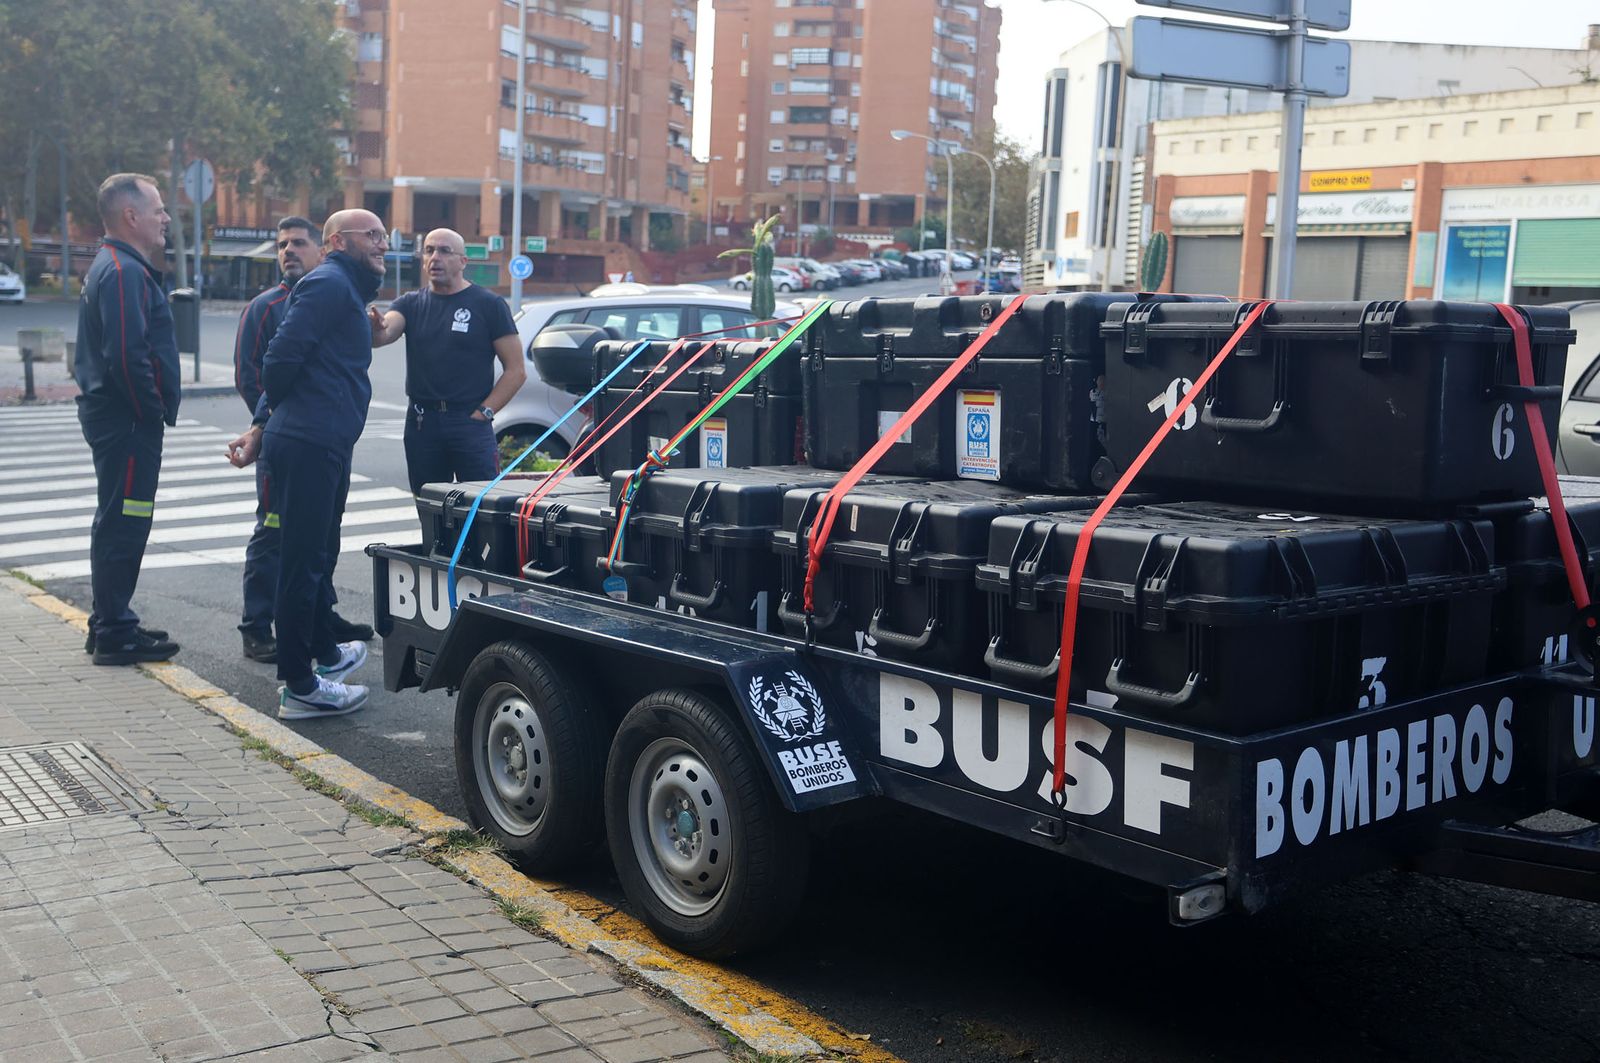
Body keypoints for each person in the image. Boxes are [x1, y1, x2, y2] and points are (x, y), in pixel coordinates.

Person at [225, 208, 388, 719]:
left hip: (324, 441)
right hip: (310, 443)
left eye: (386, 236)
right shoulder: (328, 284)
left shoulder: (344, 286)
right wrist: (277, 419)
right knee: (300, 560)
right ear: (339, 241)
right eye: (374, 236)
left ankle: (324, 655)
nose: (384, 244)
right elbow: (277, 362)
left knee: (318, 553)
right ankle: (299, 685)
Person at [75, 173, 180, 666]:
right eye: (158, 209)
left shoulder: (118, 265)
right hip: (128, 422)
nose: (166, 218)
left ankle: (110, 620)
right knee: (126, 521)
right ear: (131, 216)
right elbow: (126, 354)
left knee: (116, 518)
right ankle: (115, 629)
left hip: (118, 419)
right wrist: (150, 413)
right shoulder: (123, 270)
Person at [369, 228, 524, 495]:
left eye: (444, 251)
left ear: (463, 262)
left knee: (480, 507)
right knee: (429, 505)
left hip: (469, 421)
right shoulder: (410, 303)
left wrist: (484, 413)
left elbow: (516, 370)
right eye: (429, 250)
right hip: (422, 423)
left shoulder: (489, 305)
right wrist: (376, 327)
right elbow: (385, 333)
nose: (434, 257)